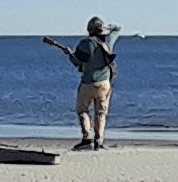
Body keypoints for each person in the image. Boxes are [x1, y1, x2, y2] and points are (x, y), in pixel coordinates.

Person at [42, 17, 122, 151]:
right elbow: (117, 28)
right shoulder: (107, 41)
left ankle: (87, 138)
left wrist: (69, 54)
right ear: (100, 29)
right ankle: (99, 140)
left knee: (82, 110)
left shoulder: (84, 44)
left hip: (88, 83)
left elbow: (77, 62)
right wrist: (106, 27)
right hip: (105, 83)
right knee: (101, 113)